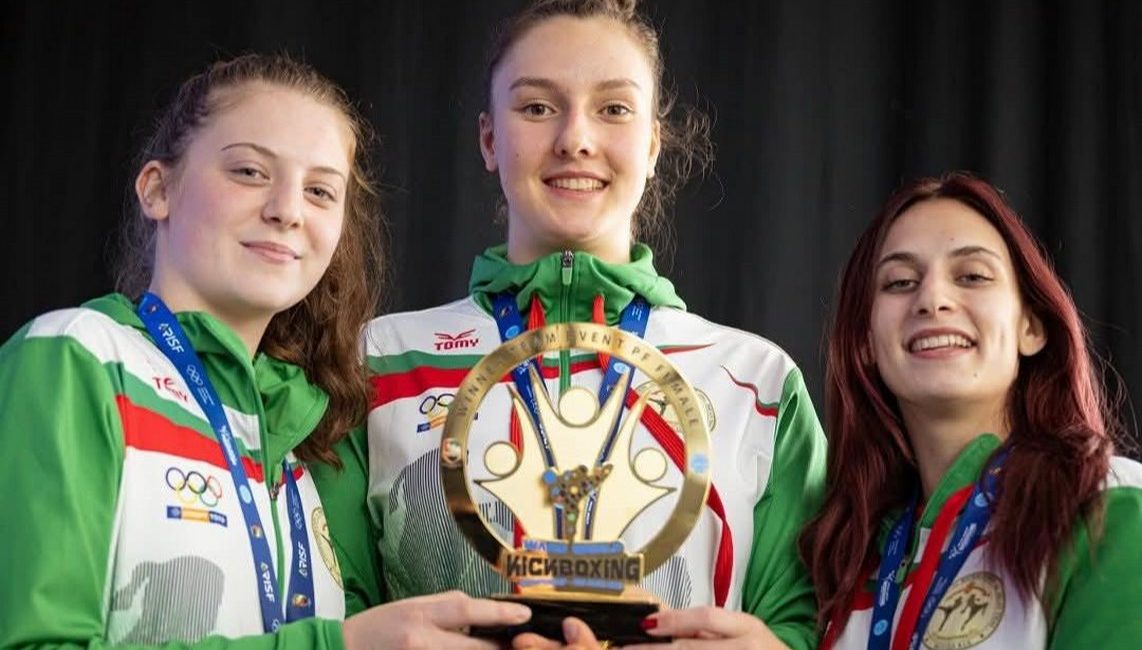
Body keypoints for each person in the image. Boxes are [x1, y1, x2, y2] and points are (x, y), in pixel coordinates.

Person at [0, 53, 530, 649]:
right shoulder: (75, 358)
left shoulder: (300, 443)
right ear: (158, 189)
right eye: (250, 171)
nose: (287, 210)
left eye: (320, 190)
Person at [361, 1, 826, 648]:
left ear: (653, 145)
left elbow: (805, 625)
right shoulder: (381, 358)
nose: (575, 139)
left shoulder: (757, 380)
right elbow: (333, 611)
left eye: (613, 108)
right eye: (536, 107)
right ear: (489, 140)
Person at [800, 172, 1142, 649]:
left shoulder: (1112, 507)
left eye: (973, 276)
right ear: (866, 343)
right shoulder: (844, 558)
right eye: (900, 282)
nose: (932, 300)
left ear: (1031, 326)